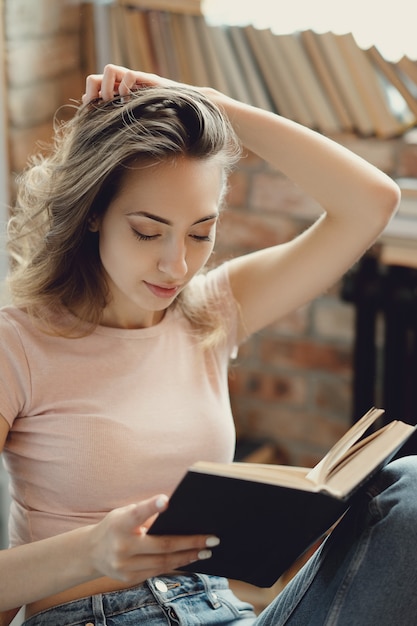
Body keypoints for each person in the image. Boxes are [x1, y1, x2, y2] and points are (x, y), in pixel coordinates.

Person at [0, 64, 417, 626]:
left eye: (200, 232)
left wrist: (211, 103)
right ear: (94, 212)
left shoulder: (211, 310)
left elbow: (371, 202)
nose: (177, 264)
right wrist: (91, 551)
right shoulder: (17, 342)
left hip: (224, 612)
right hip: (90, 614)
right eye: (148, 231)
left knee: (410, 491)